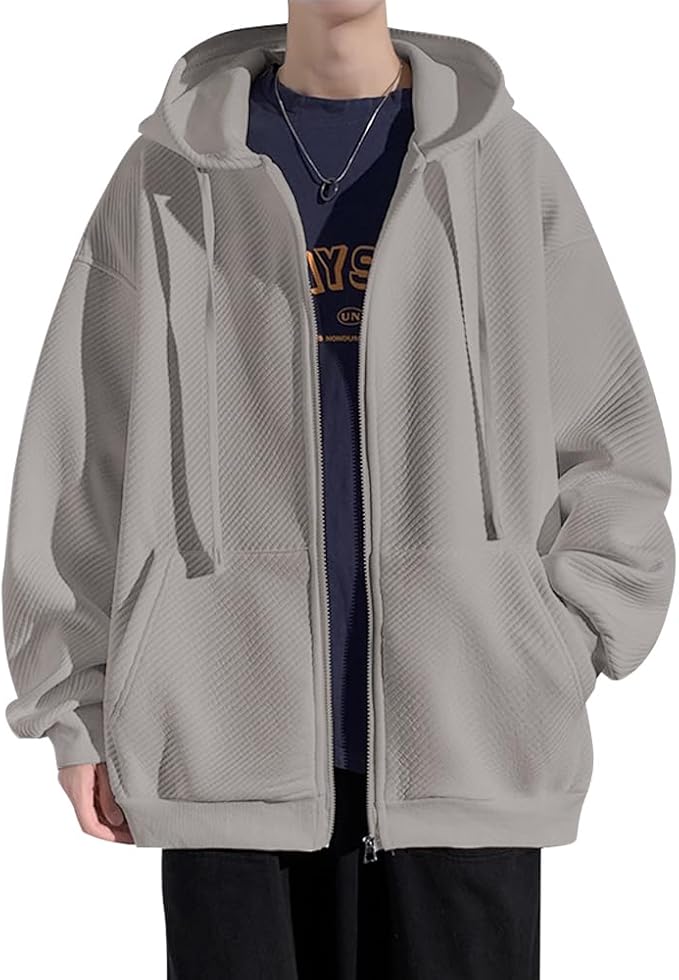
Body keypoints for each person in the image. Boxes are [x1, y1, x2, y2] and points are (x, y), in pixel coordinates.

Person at [2, 4, 674, 979]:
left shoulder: (503, 164)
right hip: (224, 744)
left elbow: (612, 442)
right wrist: (76, 700)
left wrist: (553, 639)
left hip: (471, 741)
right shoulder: (169, 175)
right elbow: (80, 450)